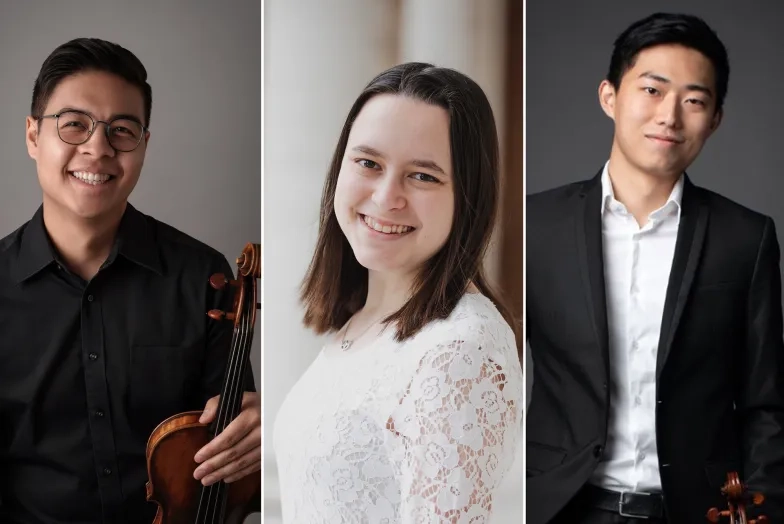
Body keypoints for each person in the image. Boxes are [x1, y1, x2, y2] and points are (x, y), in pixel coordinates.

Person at [526, 12, 784, 524]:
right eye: (651, 89)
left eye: (693, 100)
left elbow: (767, 403)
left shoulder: (746, 237)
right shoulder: (535, 224)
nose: (670, 115)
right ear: (609, 97)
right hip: (560, 508)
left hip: (699, 511)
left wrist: (764, 510)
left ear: (714, 120)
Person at [0, 38, 261, 523]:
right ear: (34, 136)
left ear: (143, 145)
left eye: (122, 130)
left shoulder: (204, 276)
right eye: (74, 124)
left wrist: (264, 433)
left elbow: (231, 466)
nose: (98, 148)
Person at [272, 62, 524, 523]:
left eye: (423, 176)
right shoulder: (361, 322)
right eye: (368, 163)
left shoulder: (460, 348)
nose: (387, 197)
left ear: (468, 196)